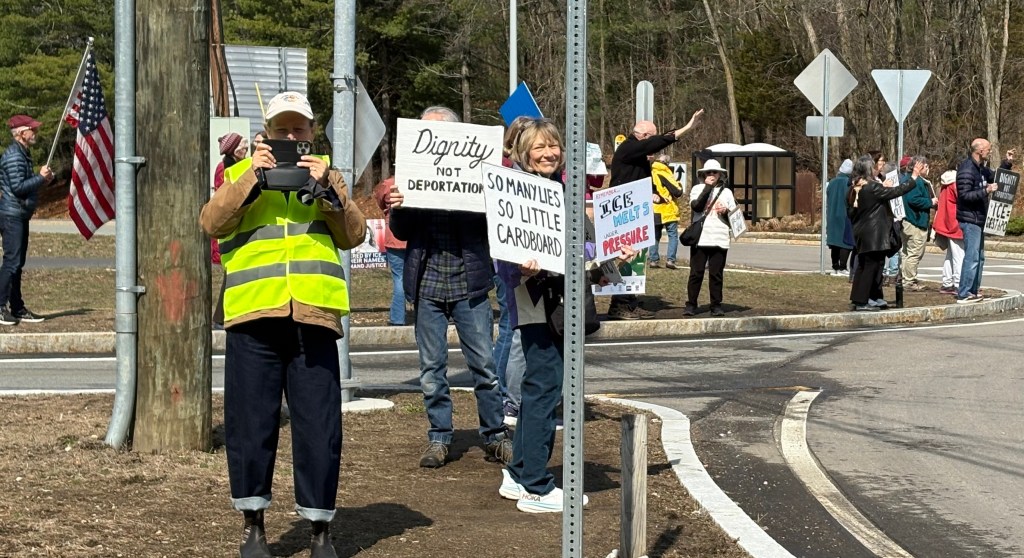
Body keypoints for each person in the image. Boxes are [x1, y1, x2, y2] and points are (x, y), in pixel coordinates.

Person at [200, 91, 366, 558]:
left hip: (314, 317)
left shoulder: (329, 175)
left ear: (312, 133)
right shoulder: (239, 171)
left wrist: (329, 192)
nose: (291, 137)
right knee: (250, 425)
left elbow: (354, 235)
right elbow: (211, 223)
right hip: (254, 317)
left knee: (319, 427)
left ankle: (320, 529)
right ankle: (253, 525)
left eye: (299, 129)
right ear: (266, 133)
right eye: (282, 130)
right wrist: (252, 176)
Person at [495, 118, 631, 512]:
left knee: (540, 388)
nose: (548, 153)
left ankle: (520, 472)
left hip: (562, 303)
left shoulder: (564, 191)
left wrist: (610, 260)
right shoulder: (515, 193)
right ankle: (537, 487)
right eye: (538, 147)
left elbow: (582, 253)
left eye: (553, 145)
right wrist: (521, 269)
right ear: (523, 153)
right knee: (544, 389)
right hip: (537, 303)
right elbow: (503, 258)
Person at [385, 105, 512, 469]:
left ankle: (495, 436)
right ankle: (439, 437)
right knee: (431, 370)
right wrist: (400, 207)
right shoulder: (411, 177)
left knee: (484, 367)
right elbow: (401, 232)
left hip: (469, 285)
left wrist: (486, 197)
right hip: (427, 285)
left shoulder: (478, 174)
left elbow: (494, 227)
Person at [606, 109, 704, 319]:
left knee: (636, 259)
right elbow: (658, 142)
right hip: (622, 214)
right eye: (651, 139)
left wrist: (652, 193)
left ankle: (630, 302)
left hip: (635, 212)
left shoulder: (637, 156)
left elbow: (639, 177)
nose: (652, 150)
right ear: (643, 137)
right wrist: (687, 128)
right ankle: (619, 305)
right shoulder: (629, 147)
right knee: (625, 258)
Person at [846, 156, 921, 311]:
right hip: (874, 233)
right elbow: (897, 191)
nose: (876, 169)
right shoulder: (871, 187)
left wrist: (882, 186)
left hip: (863, 231)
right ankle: (862, 300)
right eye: (873, 167)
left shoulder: (856, 187)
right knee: (870, 267)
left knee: (870, 265)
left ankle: (871, 296)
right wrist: (913, 177)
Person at [0, 114, 54, 326]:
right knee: (12, 262)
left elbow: (25, 183)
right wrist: (40, 177)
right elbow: (18, 188)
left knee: (17, 263)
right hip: (12, 215)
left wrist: (43, 180)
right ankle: (0, 307)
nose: (35, 132)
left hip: (20, 214)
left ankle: (17, 308)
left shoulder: (22, 153)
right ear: (21, 133)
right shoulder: (14, 156)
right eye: (32, 129)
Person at [954, 139, 1013, 303]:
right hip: (970, 219)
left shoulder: (981, 168)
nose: (990, 151)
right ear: (979, 151)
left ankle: (973, 290)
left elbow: (996, 177)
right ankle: (964, 292)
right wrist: (986, 190)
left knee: (979, 258)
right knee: (972, 257)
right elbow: (964, 195)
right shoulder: (967, 169)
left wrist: (1007, 163)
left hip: (979, 218)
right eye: (988, 149)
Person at [684, 159, 737, 317]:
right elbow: (696, 207)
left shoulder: (727, 192)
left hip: (720, 237)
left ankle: (716, 305)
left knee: (716, 274)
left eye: (715, 172)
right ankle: (691, 304)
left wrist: (725, 211)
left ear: (720, 174)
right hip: (701, 237)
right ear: (703, 174)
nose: (712, 175)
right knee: (696, 273)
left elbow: (735, 218)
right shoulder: (697, 189)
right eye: (709, 172)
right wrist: (708, 187)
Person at [211, 132, 249, 329]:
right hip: (230, 231)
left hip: (239, 228)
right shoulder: (224, 168)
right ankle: (222, 320)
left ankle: (222, 318)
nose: (245, 149)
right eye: (242, 146)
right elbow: (225, 197)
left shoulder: (241, 165)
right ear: (233, 149)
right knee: (231, 276)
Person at [373, 176, 407, 325]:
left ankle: (398, 318)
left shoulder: (388, 183)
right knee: (419, 279)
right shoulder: (416, 180)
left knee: (399, 279)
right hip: (416, 236)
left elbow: (380, 201)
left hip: (394, 237)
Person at [899, 156, 937, 290]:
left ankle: (906, 278)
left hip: (907, 220)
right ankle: (909, 281)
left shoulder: (906, 179)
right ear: (919, 167)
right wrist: (930, 202)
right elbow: (913, 199)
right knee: (914, 252)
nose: (928, 169)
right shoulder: (916, 181)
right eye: (926, 166)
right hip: (915, 221)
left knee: (907, 252)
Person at [649, 154, 683, 270]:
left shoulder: (651, 172)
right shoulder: (664, 173)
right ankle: (670, 260)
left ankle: (653, 260)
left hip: (655, 209)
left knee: (655, 235)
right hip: (667, 209)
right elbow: (677, 192)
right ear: (666, 163)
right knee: (672, 235)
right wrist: (679, 184)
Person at [932, 170, 963, 295]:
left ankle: (947, 282)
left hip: (946, 220)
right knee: (959, 255)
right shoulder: (957, 183)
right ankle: (959, 284)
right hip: (956, 222)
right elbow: (963, 199)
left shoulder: (945, 183)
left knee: (951, 255)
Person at [825, 159, 855, 276]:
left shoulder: (832, 182)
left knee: (834, 242)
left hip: (832, 214)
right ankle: (843, 266)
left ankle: (835, 266)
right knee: (845, 242)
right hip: (845, 215)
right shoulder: (849, 183)